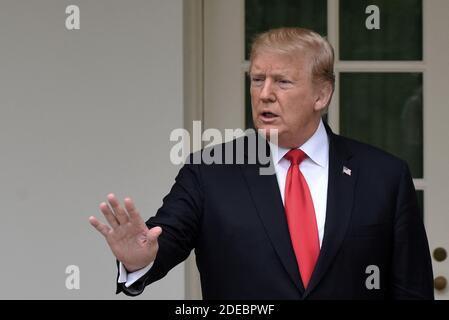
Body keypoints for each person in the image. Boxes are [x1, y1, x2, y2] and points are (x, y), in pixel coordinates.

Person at [89, 28, 434, 299]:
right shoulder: (210, 171)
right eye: (257, 79)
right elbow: (165, 239)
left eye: (282, 81)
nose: (264, 93)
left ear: (321, 95)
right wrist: (139, 259)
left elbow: (411, 289)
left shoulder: (384, 176)